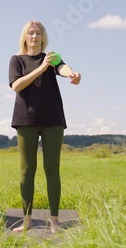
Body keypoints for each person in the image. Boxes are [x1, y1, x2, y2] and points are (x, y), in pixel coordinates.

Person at [8, 21, 81, 232]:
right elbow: (16, 85)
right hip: (25, 119)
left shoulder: (51, 58)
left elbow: (62, 67)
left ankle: (55, 220)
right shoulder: (17, 60)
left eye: (38, 33)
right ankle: (27, 220)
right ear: (25, 36)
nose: (34, 36)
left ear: (42, 37)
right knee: (27, 170)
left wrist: (72, 74)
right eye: (30, 32)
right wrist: (41, 68)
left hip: (53, 119)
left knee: (52, 169)